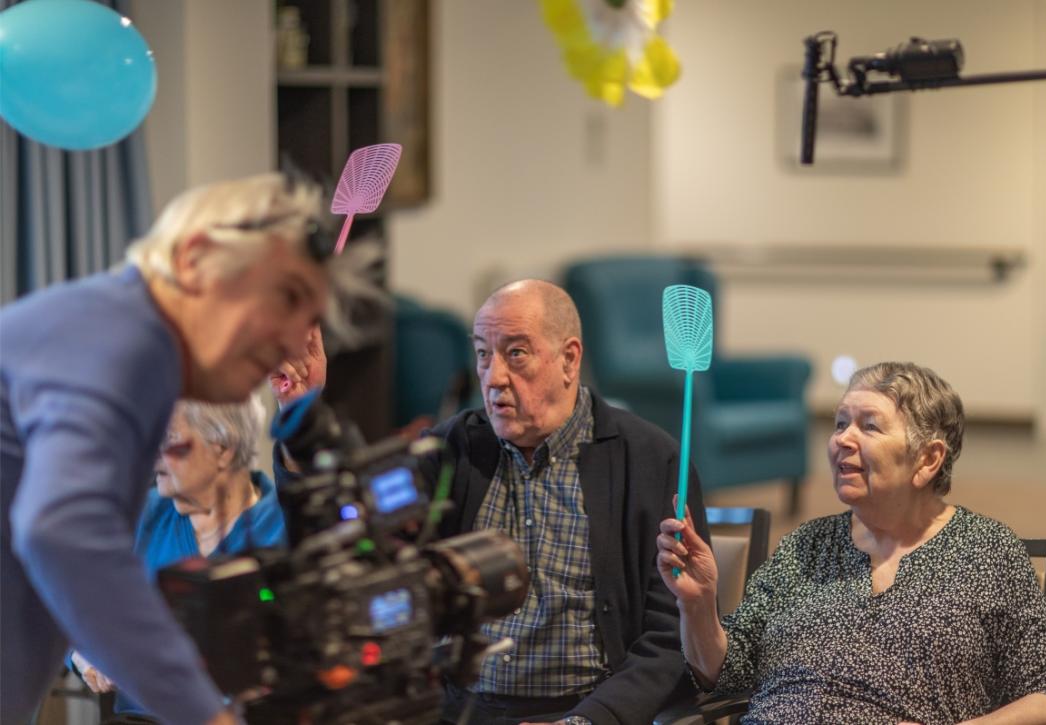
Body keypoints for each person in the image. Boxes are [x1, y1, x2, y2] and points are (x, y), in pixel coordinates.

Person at [0, 172, 367, 725]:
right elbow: (59, 530)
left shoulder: (118, 336)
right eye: (283, 302)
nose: (293, 340)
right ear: (195, 261)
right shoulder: (124, 345)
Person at [657, 361, 1046, 724]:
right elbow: (727, 673)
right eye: (840, 423)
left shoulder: (986, 550)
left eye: (869, 426)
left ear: (928, 458)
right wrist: (697, 604)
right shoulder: (806, 545)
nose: (842, 439)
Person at [424, 279, 712, 725]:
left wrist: (591, 720)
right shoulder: (453, 449)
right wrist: (299, 416)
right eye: (483, 353)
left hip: (580, 710)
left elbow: (670, 635)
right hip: (457, 710)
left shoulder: (652, 460)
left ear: (569, 359)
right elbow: (347, 534)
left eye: (516, 353)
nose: (494, 376)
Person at [69, 396, 287, 721]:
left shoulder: (283, 529)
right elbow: (63, 600)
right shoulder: (136, 516)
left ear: (223, 448)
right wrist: (85, 653)